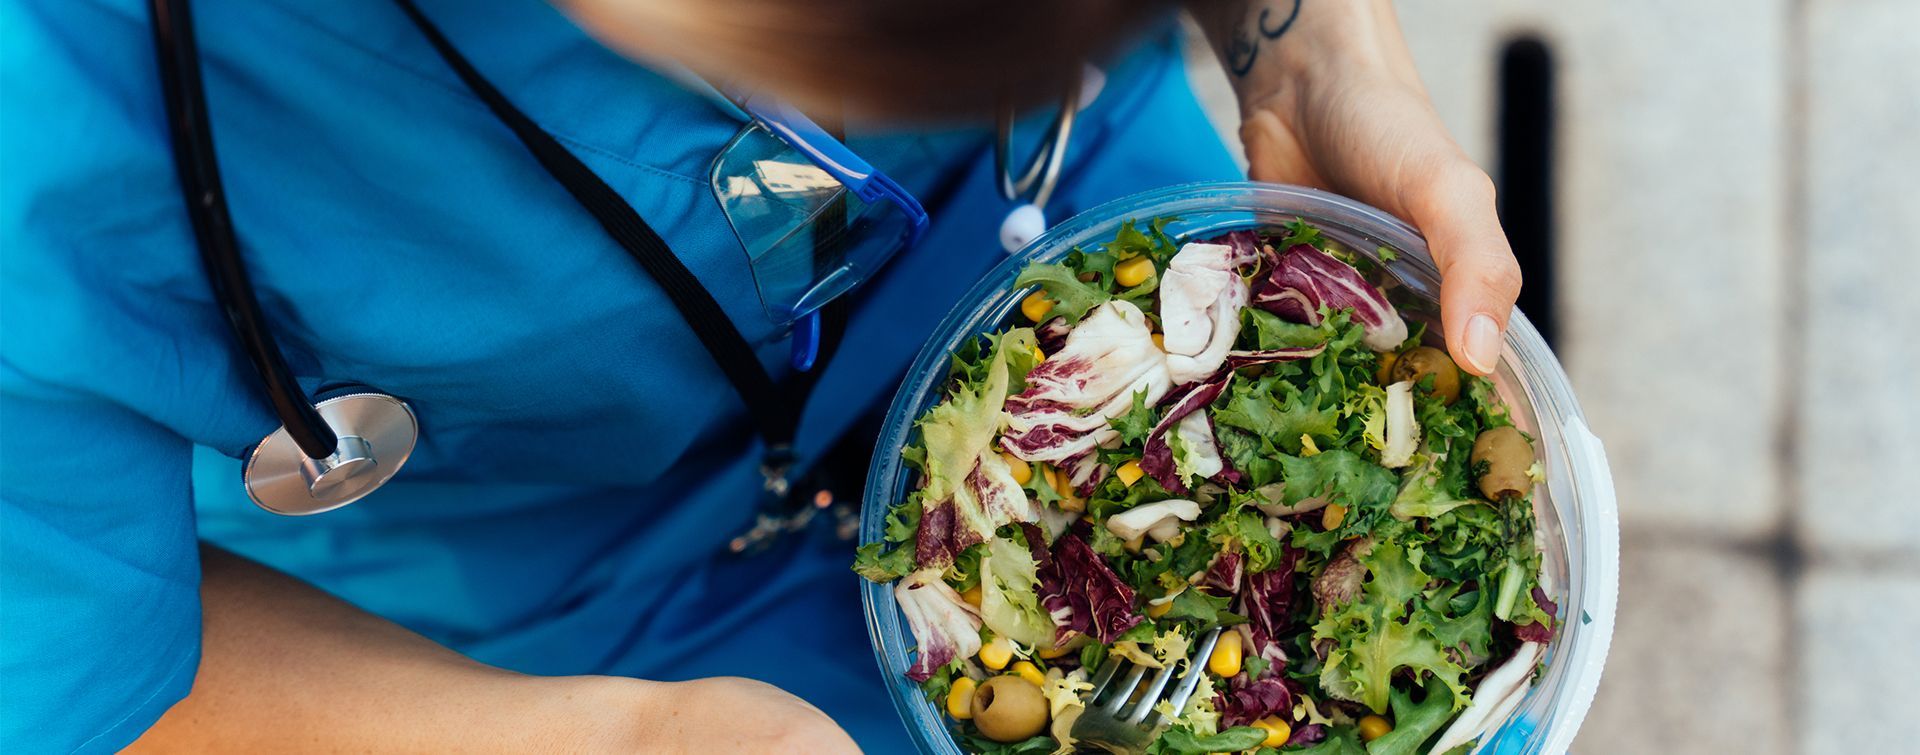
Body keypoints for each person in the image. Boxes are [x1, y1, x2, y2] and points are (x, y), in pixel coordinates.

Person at [0, 0, 1521, 751]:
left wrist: (1307, 55)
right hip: (543, 564)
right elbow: (80, 678)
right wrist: (598, 740)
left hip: (1067, 246)